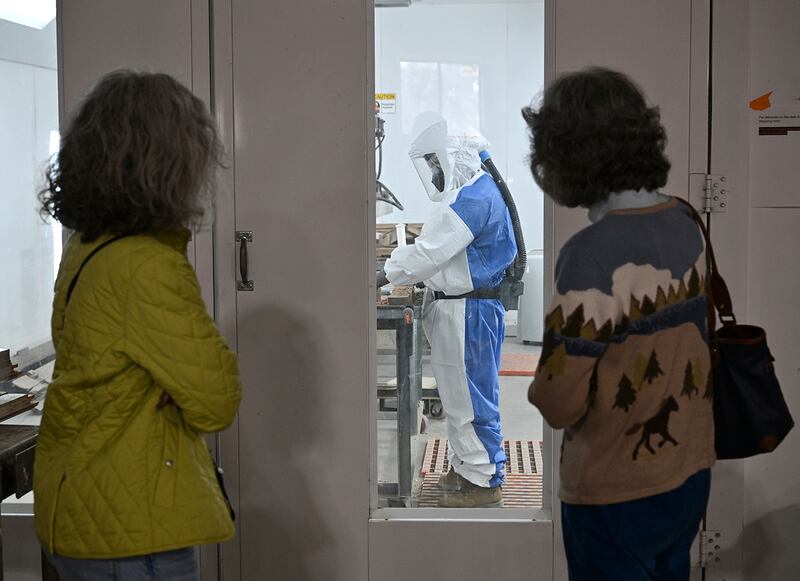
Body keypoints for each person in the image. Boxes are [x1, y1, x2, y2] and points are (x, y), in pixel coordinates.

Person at [35, 71, 242, 580]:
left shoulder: (88, 247)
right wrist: (165, 387)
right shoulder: (148, 267)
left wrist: (165, 383)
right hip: (129, 530)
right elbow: (216, 400)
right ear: (168, 163)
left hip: (82, 504)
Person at [523, 67, 715, 580]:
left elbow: (559, 401)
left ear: (567, 155)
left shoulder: (590, 254)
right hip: (690, 473)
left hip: (615, 490)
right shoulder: (685, 220)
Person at [377, 113, 517, 508]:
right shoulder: (475, 191)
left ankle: (484, 481)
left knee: (471, 400)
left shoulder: (477, 195)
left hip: (468, 313)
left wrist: (382, 273)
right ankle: (469, 468)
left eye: (436, 162)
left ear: (455, 154)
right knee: (460, 399)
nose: (435, 171)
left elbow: (430, 251)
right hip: (462, 311)